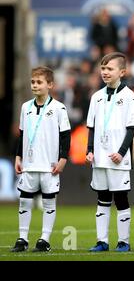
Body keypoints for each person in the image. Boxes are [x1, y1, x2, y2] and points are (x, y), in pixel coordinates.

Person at [11, 66, 71, 252]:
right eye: (33, 82)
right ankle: (22, 239)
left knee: (48, 201)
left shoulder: (59, 108)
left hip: (49, 165)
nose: (35, 85)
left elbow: (65, 136)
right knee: (25, 200)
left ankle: (44, 239)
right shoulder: (25, 107)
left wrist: (63, 159)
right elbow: (22, 135)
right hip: (29, 164)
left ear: (50, 85)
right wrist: (18, 156)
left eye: (39, 82)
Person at [86, 52, 134, 252]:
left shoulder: (129, 97)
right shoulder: (96, 97)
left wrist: (121, 152)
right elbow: (91, 126)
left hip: (118, 159)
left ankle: (123, 241)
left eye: (110, 69)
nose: (105, 72)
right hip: (100, 158)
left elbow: (132, 127)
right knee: (102, 199)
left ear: (122, 72)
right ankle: (102, 241)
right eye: (103, 69)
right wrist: (90, 150)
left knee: (121, 199)